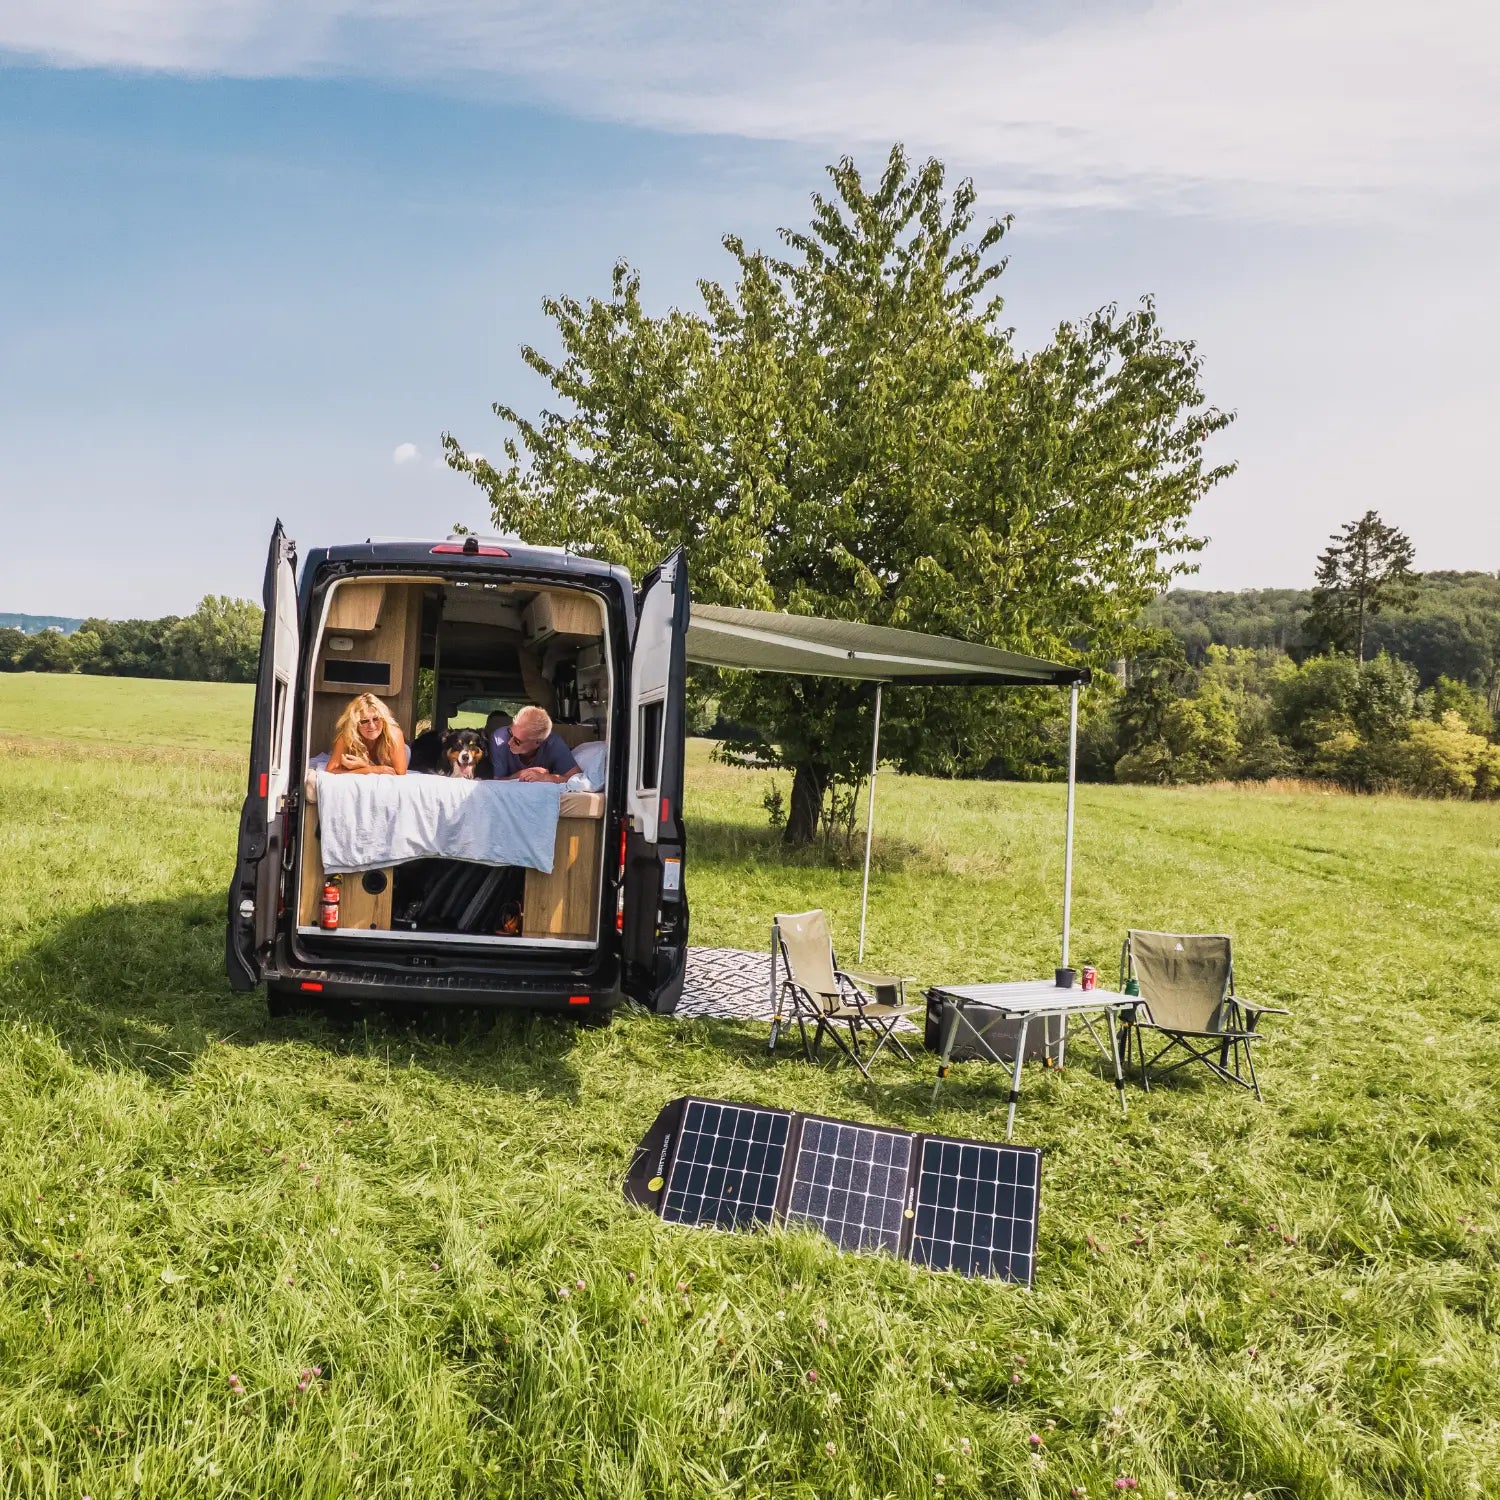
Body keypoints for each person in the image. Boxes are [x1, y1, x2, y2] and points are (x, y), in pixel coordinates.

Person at [489, 705, 580, 784]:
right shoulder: (499, 739)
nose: (509, 742)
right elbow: (496, 782)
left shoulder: (554, 744)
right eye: (510, 734)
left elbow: (576, 780)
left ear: (538, 742)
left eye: (517, 741)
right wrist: (521, 775)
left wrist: (546, 778)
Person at [327, 692, 408, 776]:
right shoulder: (346, 736)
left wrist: (364, 766)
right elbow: (331, 769)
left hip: (400, 751)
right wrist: (370, 769)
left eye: (376, 719)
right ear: (355, 724)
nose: (372, 726)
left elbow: (400, 772)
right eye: (364, 721)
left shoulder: (394, 734)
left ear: (384, 719)